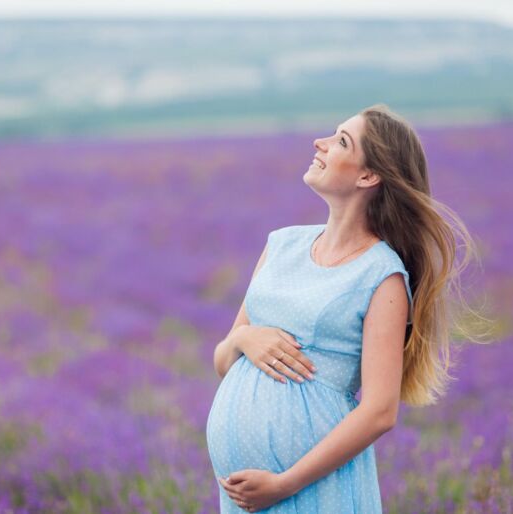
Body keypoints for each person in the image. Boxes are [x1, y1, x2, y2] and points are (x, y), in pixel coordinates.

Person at [206, 103, 480, 513]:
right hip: (245, 497)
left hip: (310, 490)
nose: (320, 142)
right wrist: (245, 337)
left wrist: (284, 484)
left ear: (368, 175)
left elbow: (379, 412)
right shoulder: (281, 245)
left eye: (341, 141)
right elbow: (223, 361)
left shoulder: (381, 276)